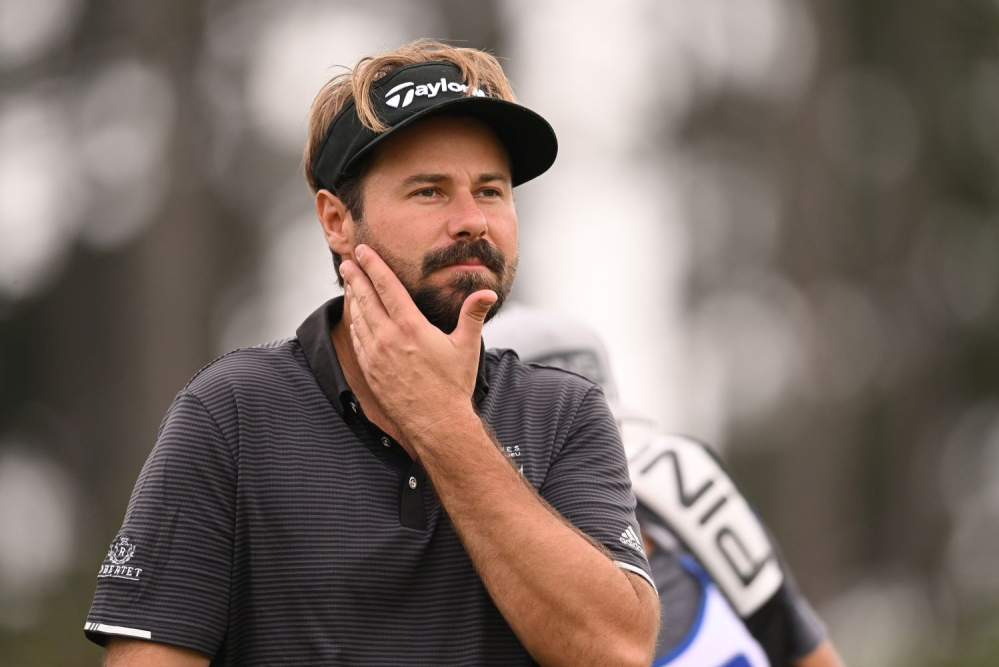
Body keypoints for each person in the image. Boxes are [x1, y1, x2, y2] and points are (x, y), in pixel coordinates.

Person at [84, 40, 659, 666]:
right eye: (430, 192)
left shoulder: (565, 414)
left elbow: (616, 651)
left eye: (491, 191)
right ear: (336, 220)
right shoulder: (232, 414)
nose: (473, 220)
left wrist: (443, 422)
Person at [483, 306, 845, 667]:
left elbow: (799, 644)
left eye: (598, 429)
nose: (589, 455)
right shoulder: (462, 595)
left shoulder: (686, 489)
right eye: (561, 439)